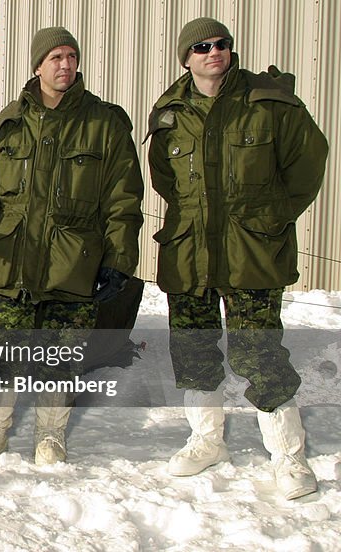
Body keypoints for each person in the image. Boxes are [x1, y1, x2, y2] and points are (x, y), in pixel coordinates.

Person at [147, 17, 328, 499]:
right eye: (202, 47)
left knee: (260, 352)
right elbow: (167, 182)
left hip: (252, 250)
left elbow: (308, 162)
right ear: (186, 57)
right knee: (193, 348)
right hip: (190, 253)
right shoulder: (168, 114)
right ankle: (207, 440)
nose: (214, 52)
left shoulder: (268, 104)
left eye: (222, 45)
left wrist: (273, 217)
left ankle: (289, 457)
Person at [0, 27, 144, 466]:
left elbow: (124, 199)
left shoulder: (103, 124)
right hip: (11, 261)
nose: (65, 65)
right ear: (38, 66)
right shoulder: (7, 124)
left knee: (60, 355)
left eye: (72, 56)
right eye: (55, 57)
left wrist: (119, 260)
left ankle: (51, 435)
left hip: (73, 262)